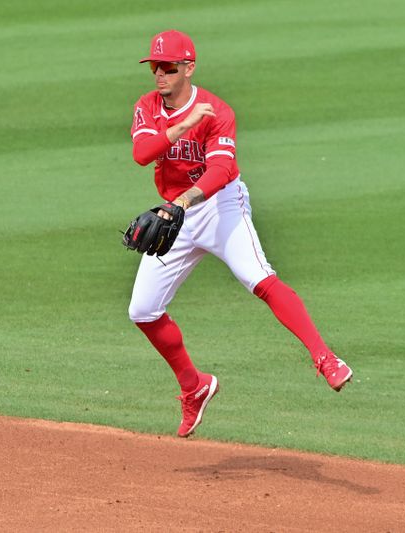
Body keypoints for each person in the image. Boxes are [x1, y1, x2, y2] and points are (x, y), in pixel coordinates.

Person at [128, 30, 353, 438]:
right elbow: (143, 154)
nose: (159, 74)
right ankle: (194, 387)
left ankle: (325, 358)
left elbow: (219, 172)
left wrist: (183, 201)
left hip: (219, 205)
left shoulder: (218, 110)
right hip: (176, 213)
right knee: (142, 310)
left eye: (168, 67)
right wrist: (183, 127)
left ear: (189, 68)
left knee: (259, 279)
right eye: (155, 66)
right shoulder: (147, 107)